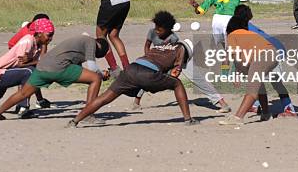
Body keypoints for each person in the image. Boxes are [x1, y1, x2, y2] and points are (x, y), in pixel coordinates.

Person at [67, 13, 200, 127]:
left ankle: (75, 120)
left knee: (104, 98)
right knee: (178, 85)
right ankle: (188, 119)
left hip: (131, 68)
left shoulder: (161, 46)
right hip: (147, 74)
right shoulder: (181, 49)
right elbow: (175, 75)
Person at [0, 35, 111, 122]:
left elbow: (78, 69)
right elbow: (92, 67)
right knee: (95, 78)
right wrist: (101, 74)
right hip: (59, 68)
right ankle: (87, 115)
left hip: (42, 67)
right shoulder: (90, 41)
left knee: (23, 93)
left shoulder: (79, 43)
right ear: (99, 47)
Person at [132, 11, 231, 113]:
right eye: (156, 28)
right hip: (161, 59)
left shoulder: (173, 38)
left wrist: (176, 68)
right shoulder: (152, 32)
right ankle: (136, 103)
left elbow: (178, 53)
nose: (156, 31)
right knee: (146, 74)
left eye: (159, 29)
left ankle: (223, 104)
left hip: (181, 59)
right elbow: (147, 45)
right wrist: (149, 58)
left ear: (167, 29)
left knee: (196, 78)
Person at [0, 18, 55, 116]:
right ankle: (23, 108)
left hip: (7, 73)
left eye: (52, 36)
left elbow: (42, 62)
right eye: (49, 35)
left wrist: (44, 46)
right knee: (30, 72)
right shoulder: (27, 41)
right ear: (39, 33)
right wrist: (34, 62)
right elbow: (21, 65)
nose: (50, 38)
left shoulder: (38, 44)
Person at [226, 6, 298, 118]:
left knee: (271, 83)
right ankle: (263, 110)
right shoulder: (248, 27)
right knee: (262, 82)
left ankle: (289, 109)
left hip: (269, 51)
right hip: (272, 49)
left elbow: (236, 56)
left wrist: (235, 74)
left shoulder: (239, 31)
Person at [218, 5, 283, 125]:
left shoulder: (232, 35)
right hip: (271, 53)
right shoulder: (246, 34)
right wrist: (237, 74)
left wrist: (225, 74)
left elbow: (229, 56)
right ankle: (266, 113)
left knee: (252, 88)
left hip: (263, 56)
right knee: (258, 86)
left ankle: (238, 117)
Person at [189, 0, 262, 48]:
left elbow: (199, 11)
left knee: (223, 44)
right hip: (231, 19)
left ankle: (226, 56)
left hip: (217, 21)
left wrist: (195, 5)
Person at [7, 13, 52, 110]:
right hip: (17, 49)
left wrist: (43, 48)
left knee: (34, 73)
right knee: (25, 74)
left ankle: (39, 100)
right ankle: (21, 104)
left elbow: (42, 58)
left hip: (30, 51)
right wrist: (35, 60)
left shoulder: (41, 33)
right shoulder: (29, 35)